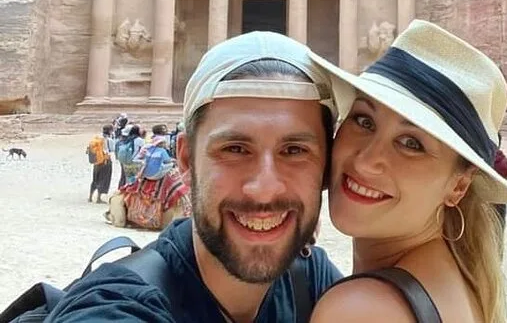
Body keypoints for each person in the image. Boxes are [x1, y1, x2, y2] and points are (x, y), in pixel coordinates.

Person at [48, 31, 343, 321]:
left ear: (327, 167)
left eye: (294, 150)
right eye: (235, 149)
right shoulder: (113, 306)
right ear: (186, 160)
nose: (264, 189)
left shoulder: (312, 278)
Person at [307, 19, 507, 323]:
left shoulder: (361, 309)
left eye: (411, 143)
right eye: (364, 121)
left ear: (459, 186)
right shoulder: (462, 283)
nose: (366, 161)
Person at [493, 133, 507, 235]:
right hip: (500, 198)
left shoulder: (482, 161)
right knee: (500, 227)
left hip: (483, 198)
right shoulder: (506, 162)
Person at [87, 124, 114, 204]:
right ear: (110, 131)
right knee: (103, 179)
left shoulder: (97, 137)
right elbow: (112, 149)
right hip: (105, 161)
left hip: (96, 161)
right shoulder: (108, 140)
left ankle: (90, 197)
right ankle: (98, 198)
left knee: (95, 179)